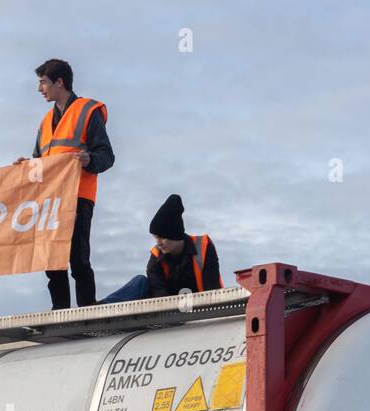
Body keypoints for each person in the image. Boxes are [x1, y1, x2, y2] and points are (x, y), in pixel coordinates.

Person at [13, 58, 113, 310]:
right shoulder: (45, 122)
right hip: (50, 201)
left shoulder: (88, 111)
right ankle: (60, 312)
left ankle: (87, 309)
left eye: (43, 82)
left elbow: (107, 156)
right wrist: (28, 165)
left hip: (78, 196)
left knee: (78, 260)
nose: (40, 89)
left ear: (59, 82)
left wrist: (89, 159)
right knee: (52, 260)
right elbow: (41, 161)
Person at [100, 194, 223, 304]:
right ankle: (102, 307)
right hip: (167, 308)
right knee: (140, 281)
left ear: (175, 235)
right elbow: (160, 295)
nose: (158, 243)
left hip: (201, 305)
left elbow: (212, 287)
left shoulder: (204, 246)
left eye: (162, 238)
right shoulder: (156, 255)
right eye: (155, 237)